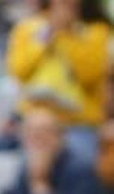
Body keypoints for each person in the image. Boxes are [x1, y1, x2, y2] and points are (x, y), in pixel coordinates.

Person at [7, 0, 110, 161]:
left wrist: (66, 34)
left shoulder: (97, 30)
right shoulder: (28, 28)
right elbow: (20, 72)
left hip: (80, 124)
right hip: (37, 124)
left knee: (79, 163)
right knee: (27, 166)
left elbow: (89, 76)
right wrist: (50, 31)